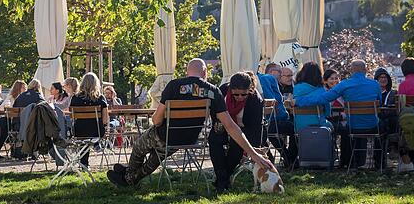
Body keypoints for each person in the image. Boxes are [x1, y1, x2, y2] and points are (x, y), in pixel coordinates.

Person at [106, 58, 275, 187]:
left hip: (165, 135)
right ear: (205, 73)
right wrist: (252, 153)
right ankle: (128, 178)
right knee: (154, 158)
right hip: (188, 139)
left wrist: (158, 122)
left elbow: (157, 120)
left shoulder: (173, 85)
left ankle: (127, 175)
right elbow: (230, 125)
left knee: (139, 147)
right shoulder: (213, 91)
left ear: (187, 72)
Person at [294, 59, 381, 169]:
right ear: (366, 70)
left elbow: (323, 98)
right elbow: (380, 101)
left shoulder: (344, 84)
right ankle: (380, 163)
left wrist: (298, 101)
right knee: (385, 129)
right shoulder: (375, 84)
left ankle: (347, 162)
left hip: (352, 126)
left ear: (351, 71)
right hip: (373, 126)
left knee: (346, 130)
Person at [209, 71, 264, 191]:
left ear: (250, 89)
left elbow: (256, 127)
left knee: (237, 144)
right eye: (236, 94)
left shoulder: (255, 100)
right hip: (223, 125)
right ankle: (222, 176)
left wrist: (254, 147)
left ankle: (222, 179)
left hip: (244, 130)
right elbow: (214, 112)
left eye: (243, 95)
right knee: (214, 140)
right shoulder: (222, 91)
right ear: (230, 89)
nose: (240, 97)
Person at [69, 72, 109, 168]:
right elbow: (105, 119)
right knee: (92, 131)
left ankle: (84, 164)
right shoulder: (100, 98)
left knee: (83, 134)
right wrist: (105, 127)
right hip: (96, 131)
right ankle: (96, 143)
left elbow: (71, 115)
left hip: (79, 131)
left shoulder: (75, 98)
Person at [292, 63, 332, 132]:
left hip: (299, 128)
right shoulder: (322, 90)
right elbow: (327, 112)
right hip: (320, 126)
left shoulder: (296, 88)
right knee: (333, 127)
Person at [375, 67, 398, 137]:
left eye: (385, 77)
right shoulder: (373, 94)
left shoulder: (393, 93)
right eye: (381, 77)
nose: (383, 79)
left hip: (390, 121)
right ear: (376, 79)